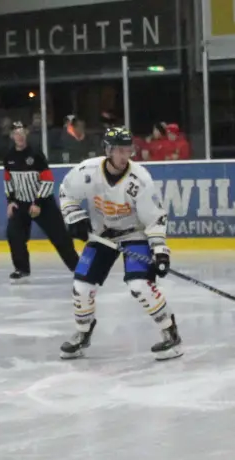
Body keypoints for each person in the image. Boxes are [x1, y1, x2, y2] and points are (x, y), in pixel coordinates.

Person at [58, 126, 179, 361]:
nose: (125, 156)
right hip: (102, 235)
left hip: (134, 234)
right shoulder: (88, 171)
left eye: (128, 150)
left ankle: (170, 333)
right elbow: (67, 192)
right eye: (119, 150)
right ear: (108, 150)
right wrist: (75, 217)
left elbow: (154, 218)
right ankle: (83, 333)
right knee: (81, 286)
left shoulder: (140, 179)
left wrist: (160, 251)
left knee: (140, 285)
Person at [2, 123, 80, 282]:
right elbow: (8, 181)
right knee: (14, 234)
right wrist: (10, 201)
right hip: (20, 203)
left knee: (60, 236)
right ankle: (21, 269)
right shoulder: (9, 157)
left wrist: (37, 202)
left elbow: (48, 180)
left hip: (43, 203)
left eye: (22, 132)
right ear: (12, 136)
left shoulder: (36, 154)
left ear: (27, 133)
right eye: (16, 133)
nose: (20, 136)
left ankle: (77, 267)